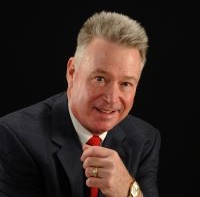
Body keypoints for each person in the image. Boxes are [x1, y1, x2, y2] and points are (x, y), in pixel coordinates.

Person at [0, 11, 161, 197]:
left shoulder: (144, 138)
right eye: (100, 79)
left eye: (125, 84)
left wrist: (127, 191)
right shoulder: (14, 137)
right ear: (72, 72)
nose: (112, 98)